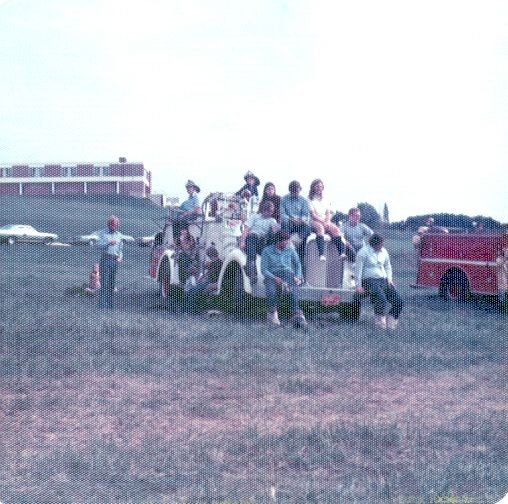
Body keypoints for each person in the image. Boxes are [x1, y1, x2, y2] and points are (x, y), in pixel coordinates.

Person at [353, 233, 403, 329]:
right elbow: (357, 271)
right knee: (381, 300)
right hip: (369, 281)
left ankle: (391, 323)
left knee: (399, 301)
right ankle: (380, 324)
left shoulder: (384, 251)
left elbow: (388, 266)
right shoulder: (363, 253)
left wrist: (389, 279)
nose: (383, 246)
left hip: (383, 280)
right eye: (381, 244)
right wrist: (358, 286)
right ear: (375, 244)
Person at [261, 230, 307, 328]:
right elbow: (264, 270)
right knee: (271, 291)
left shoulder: (290, 249)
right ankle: (272, 315)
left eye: (288, 241)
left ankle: (297, 316)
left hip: (287, 274)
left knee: (293, 291)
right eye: (286, 241)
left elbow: (298, 263)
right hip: (272, 275)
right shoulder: (267, 251)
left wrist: (298, 276)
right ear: (278, 241)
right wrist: (274, 278)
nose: (288, 243)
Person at [239, 200, 278, 284]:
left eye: (272, 211)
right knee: (252, 238)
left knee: (268, 252)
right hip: (252, 238)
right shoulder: (254, 217)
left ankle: (267, 275)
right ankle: (252, 272)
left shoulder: (272, 220)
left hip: (262, 241)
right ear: (264, 210)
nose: (270, 213)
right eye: (268, 211)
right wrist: (242, 242)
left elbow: (275, 232)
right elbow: (246, 230)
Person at [307, 178, 346, 261]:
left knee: (335, 229)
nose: (319, 188)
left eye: (320, 186)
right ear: (313, 187)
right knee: (320, 228)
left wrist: (327, 221)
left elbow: (328, 212)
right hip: (314, 221)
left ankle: (341, 253)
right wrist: (323, 222)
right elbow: (313, 215)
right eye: (317, 186)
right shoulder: (309, 199)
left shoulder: (326, 199)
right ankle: (321, 254)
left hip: (325, 220)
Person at [97, 215, 126, 309]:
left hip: (115, 261)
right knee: (104, 283)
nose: (115, 227)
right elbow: (98, 245)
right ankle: (102, 306)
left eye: (117, 225)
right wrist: (108, 243)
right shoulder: (102, 233)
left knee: (111, 284)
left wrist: (120, 257)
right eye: (113, 225)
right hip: (105, 259)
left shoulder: (119, 235)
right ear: (109, 224)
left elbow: (120, 249)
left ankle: (110, 306)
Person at [280, 180, 311, 266]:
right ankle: (286, 244)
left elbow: (306, 215)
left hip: (300, 224)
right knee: (285, 224)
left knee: (308, 228)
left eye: (297, 191)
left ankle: (292, 242)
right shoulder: (284, 199)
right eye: (293, 191)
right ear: (290, 191)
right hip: (289, 222)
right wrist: (291, 219)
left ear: (300, 190)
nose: (296, 193)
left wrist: (301, 220)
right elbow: (282, 214)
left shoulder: (304, 200)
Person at [184, 245, 223, 312]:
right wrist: (203, 276)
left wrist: (204, 277)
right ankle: (188, 309)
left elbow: (213, 275)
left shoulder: (218, 263)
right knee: (192, 290)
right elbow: (208, 273)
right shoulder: (214, 263)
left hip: (210, 282)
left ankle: (189, 310)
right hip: (207, 281)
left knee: (193, 291)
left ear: (210, 255)